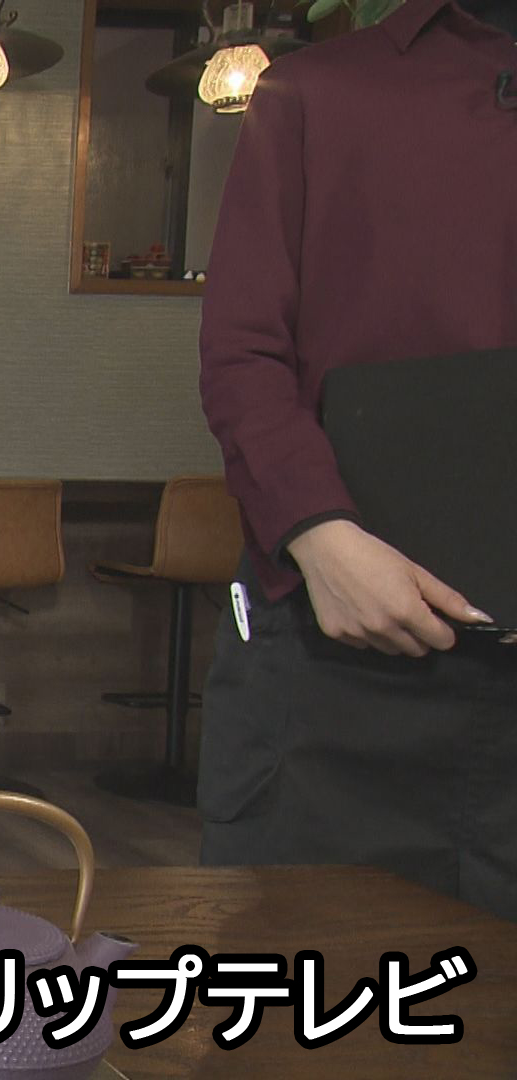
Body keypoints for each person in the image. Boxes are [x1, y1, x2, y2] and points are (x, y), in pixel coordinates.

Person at [197, 0, 517, 918]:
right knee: (304, 973)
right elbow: (243, 351)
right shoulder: (318, 92)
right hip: (336, 666)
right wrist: (319, 535)